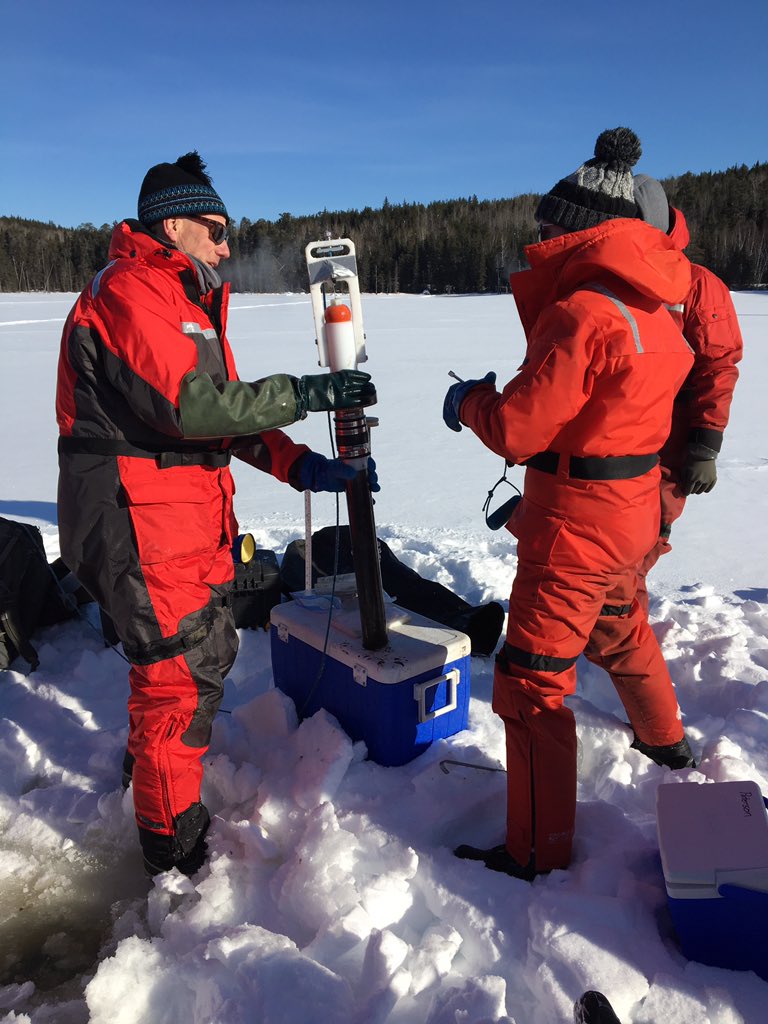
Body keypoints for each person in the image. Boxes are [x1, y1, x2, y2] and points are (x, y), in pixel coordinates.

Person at [56, 151, 377, 876]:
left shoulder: (185, 302)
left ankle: (156, 783)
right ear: (174, 225)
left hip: (183, 521)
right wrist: (302, 391)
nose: (227, 246)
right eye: (216, 229)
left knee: (199, 660)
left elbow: (223, 419)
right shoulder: (130, 291)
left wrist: (299, 462)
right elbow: (188, 408)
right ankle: (172, 855)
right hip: (136, 522)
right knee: (174, 684)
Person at [442, 128, 695, 879]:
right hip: (632, 512)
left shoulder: (584, 311)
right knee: (621, 629)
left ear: (580, 226)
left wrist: (467, 402)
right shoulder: (654, 307)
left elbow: (519, 426)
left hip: (576, 524)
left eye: (548, 225)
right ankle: (665, 740)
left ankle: (534, 853)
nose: (539, 236)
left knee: (530, 684)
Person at [632, 174, 743, 610]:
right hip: (615, 442)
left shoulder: (696, 284)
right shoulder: (608, 277)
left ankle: (622, 633)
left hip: (671, 446)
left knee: (645, 542)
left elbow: (718, 365)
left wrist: (705, 446)